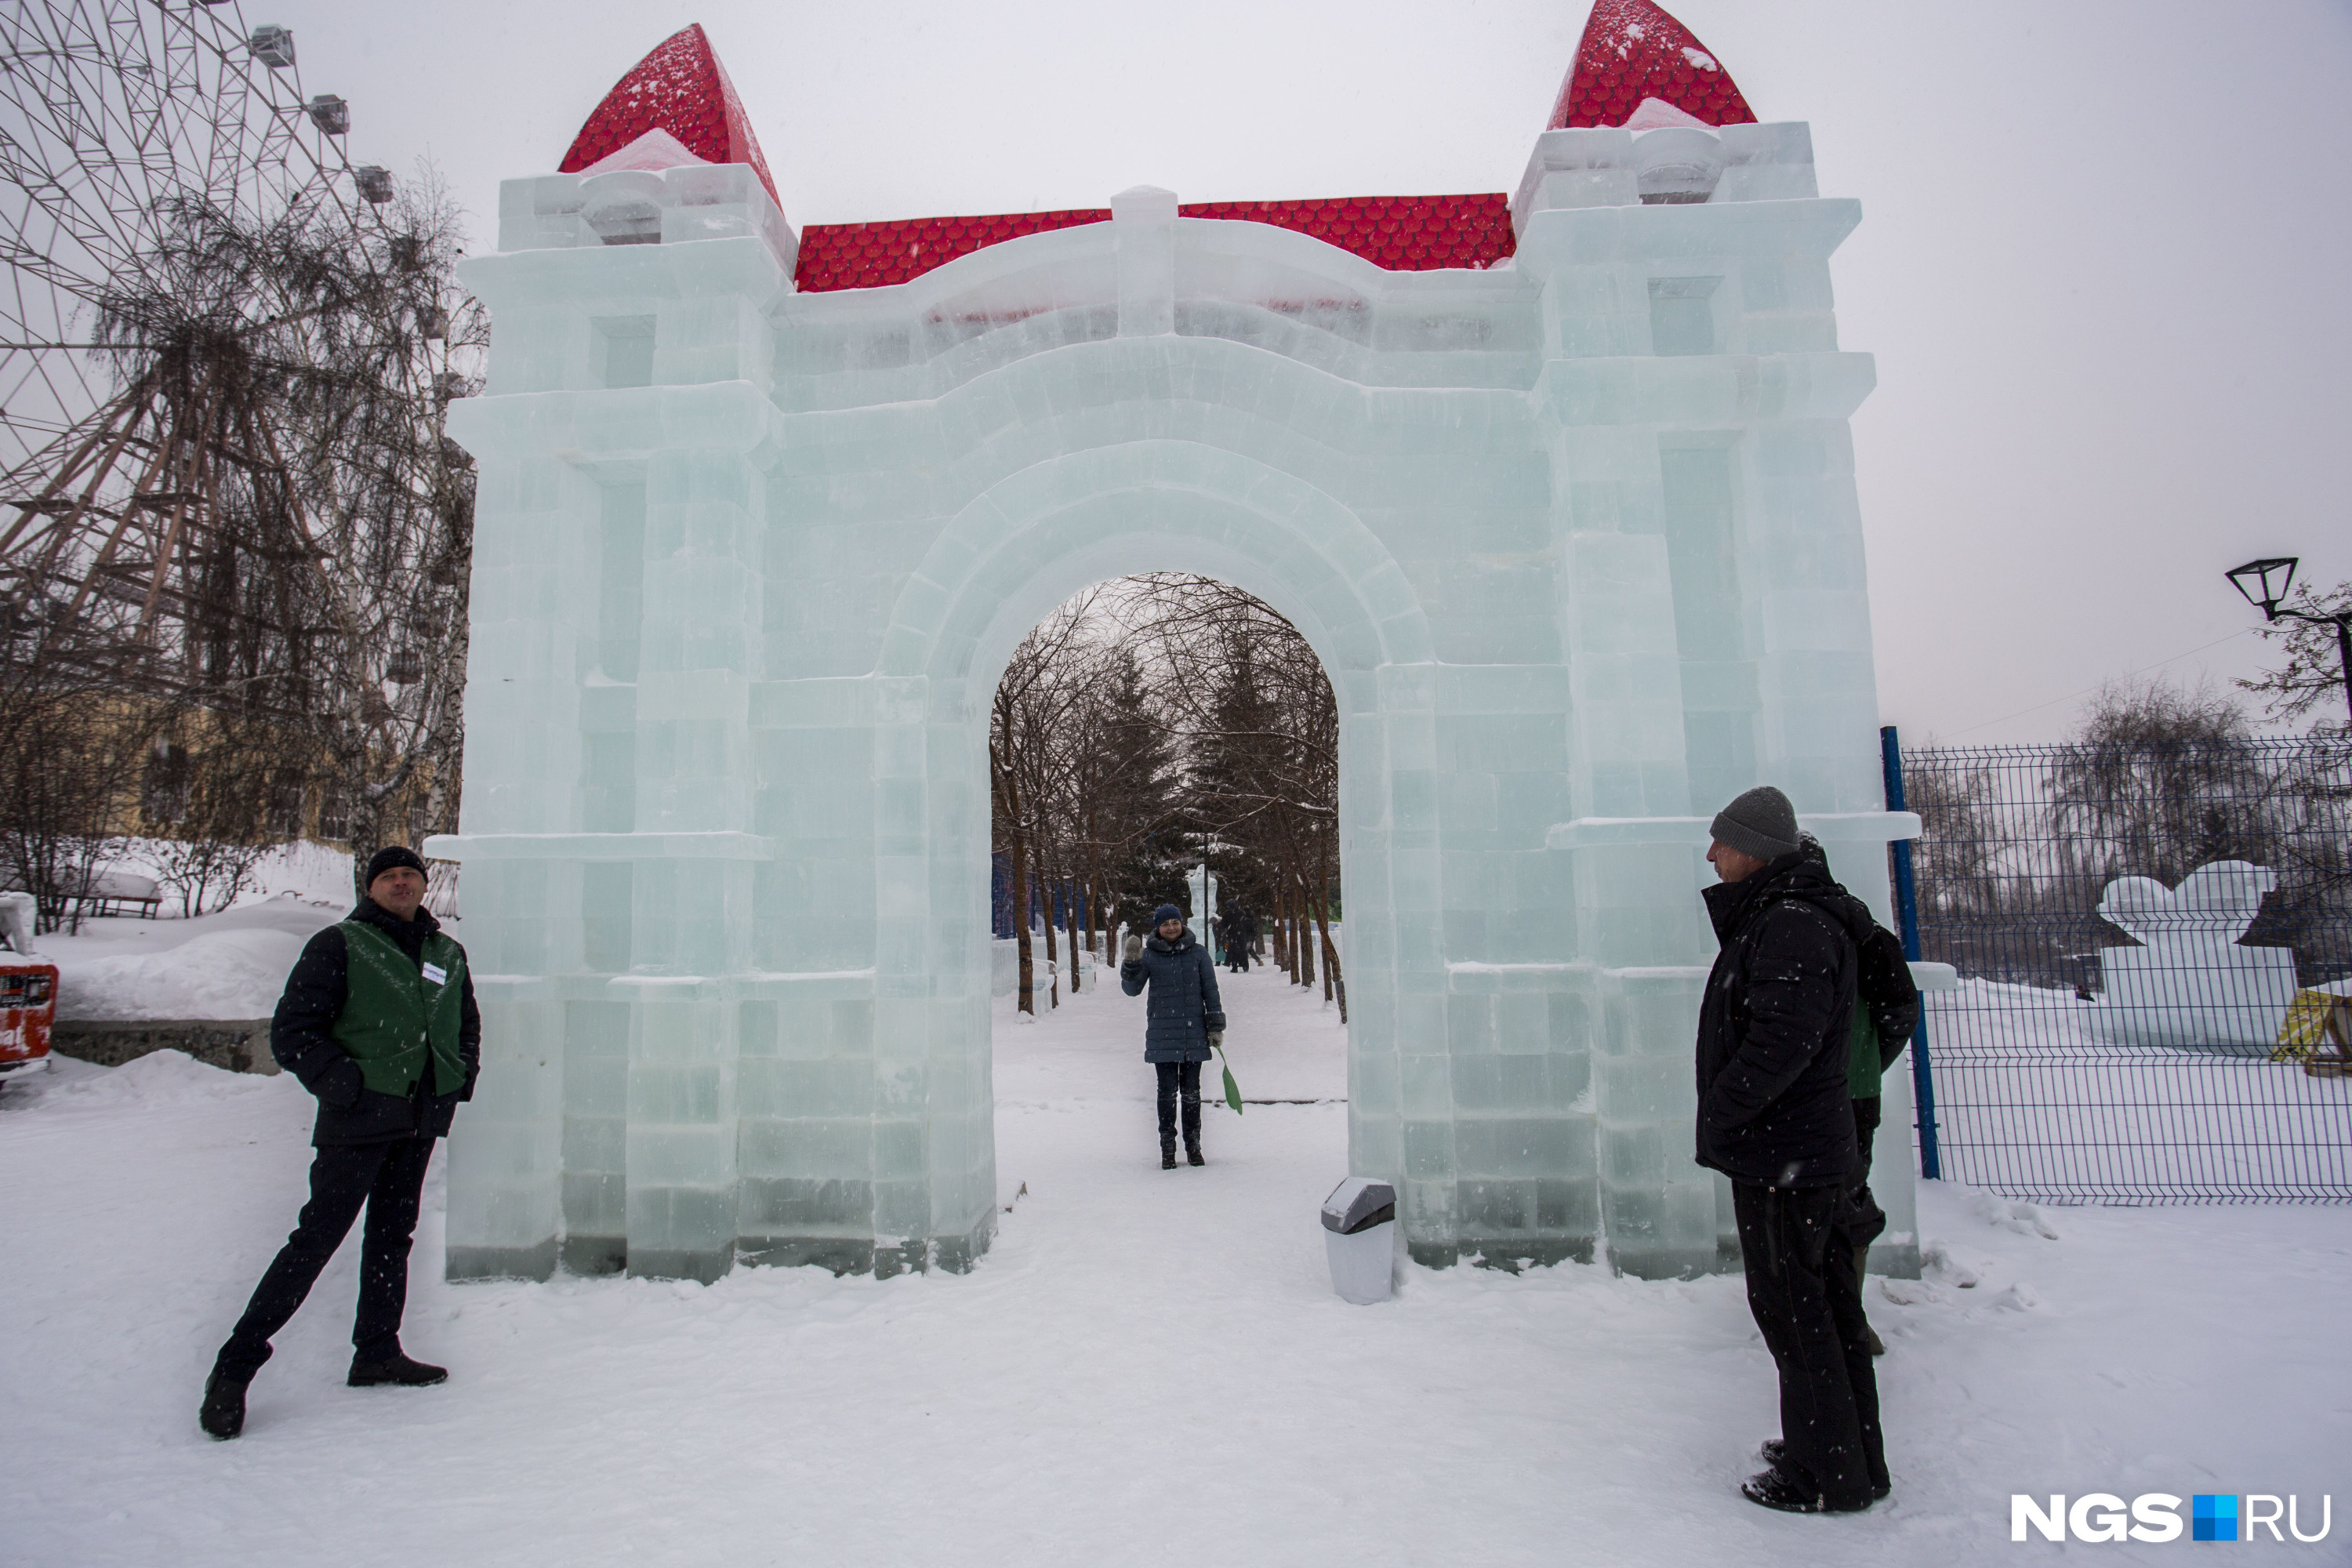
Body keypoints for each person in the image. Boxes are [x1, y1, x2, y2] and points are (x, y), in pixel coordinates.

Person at [199, 847, 480, 1441]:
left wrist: (457, 1079)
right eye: (389, 876)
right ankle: (234, 1368)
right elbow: (294, 1031)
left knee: (391, 1238)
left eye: (410, 875)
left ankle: (377, 1350)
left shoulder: (445, 952)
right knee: (316, 1240)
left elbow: (465, 1023)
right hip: (360, 1118)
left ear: (424, 885)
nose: (401, 883)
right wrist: (345, 1086)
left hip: (420, 1116)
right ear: (371, 887)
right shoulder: (340, 944)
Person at [1694, 786, 1889, 1514]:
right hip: (1798, 1149)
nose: (1712, 855)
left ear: (1756, 848)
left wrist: (1725, 1109)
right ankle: (1846, 1453)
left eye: (1722, 841)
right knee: (1824, 1306)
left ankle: (1823, 1475)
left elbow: (1784, 1042)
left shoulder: (1791, 924)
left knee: (1796, 1309)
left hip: (1786, 1157)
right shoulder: (1789, 916)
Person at [1120, 903, 1225, 1170]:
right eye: (1165, 924)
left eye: (1174, 923)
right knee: (1166, 1093)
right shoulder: (1150, 956)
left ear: (1182, 924)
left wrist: (1215, 1026)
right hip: (1162, 1033)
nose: (1171, 928)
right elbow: (1132, 990)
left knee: (1192, 1093)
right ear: (1158, 926)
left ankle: (1194, 1146)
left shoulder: (1199, 953)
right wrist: (1131, 963)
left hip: (1194, 1033)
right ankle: (1168, 1148)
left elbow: (1211, 992)